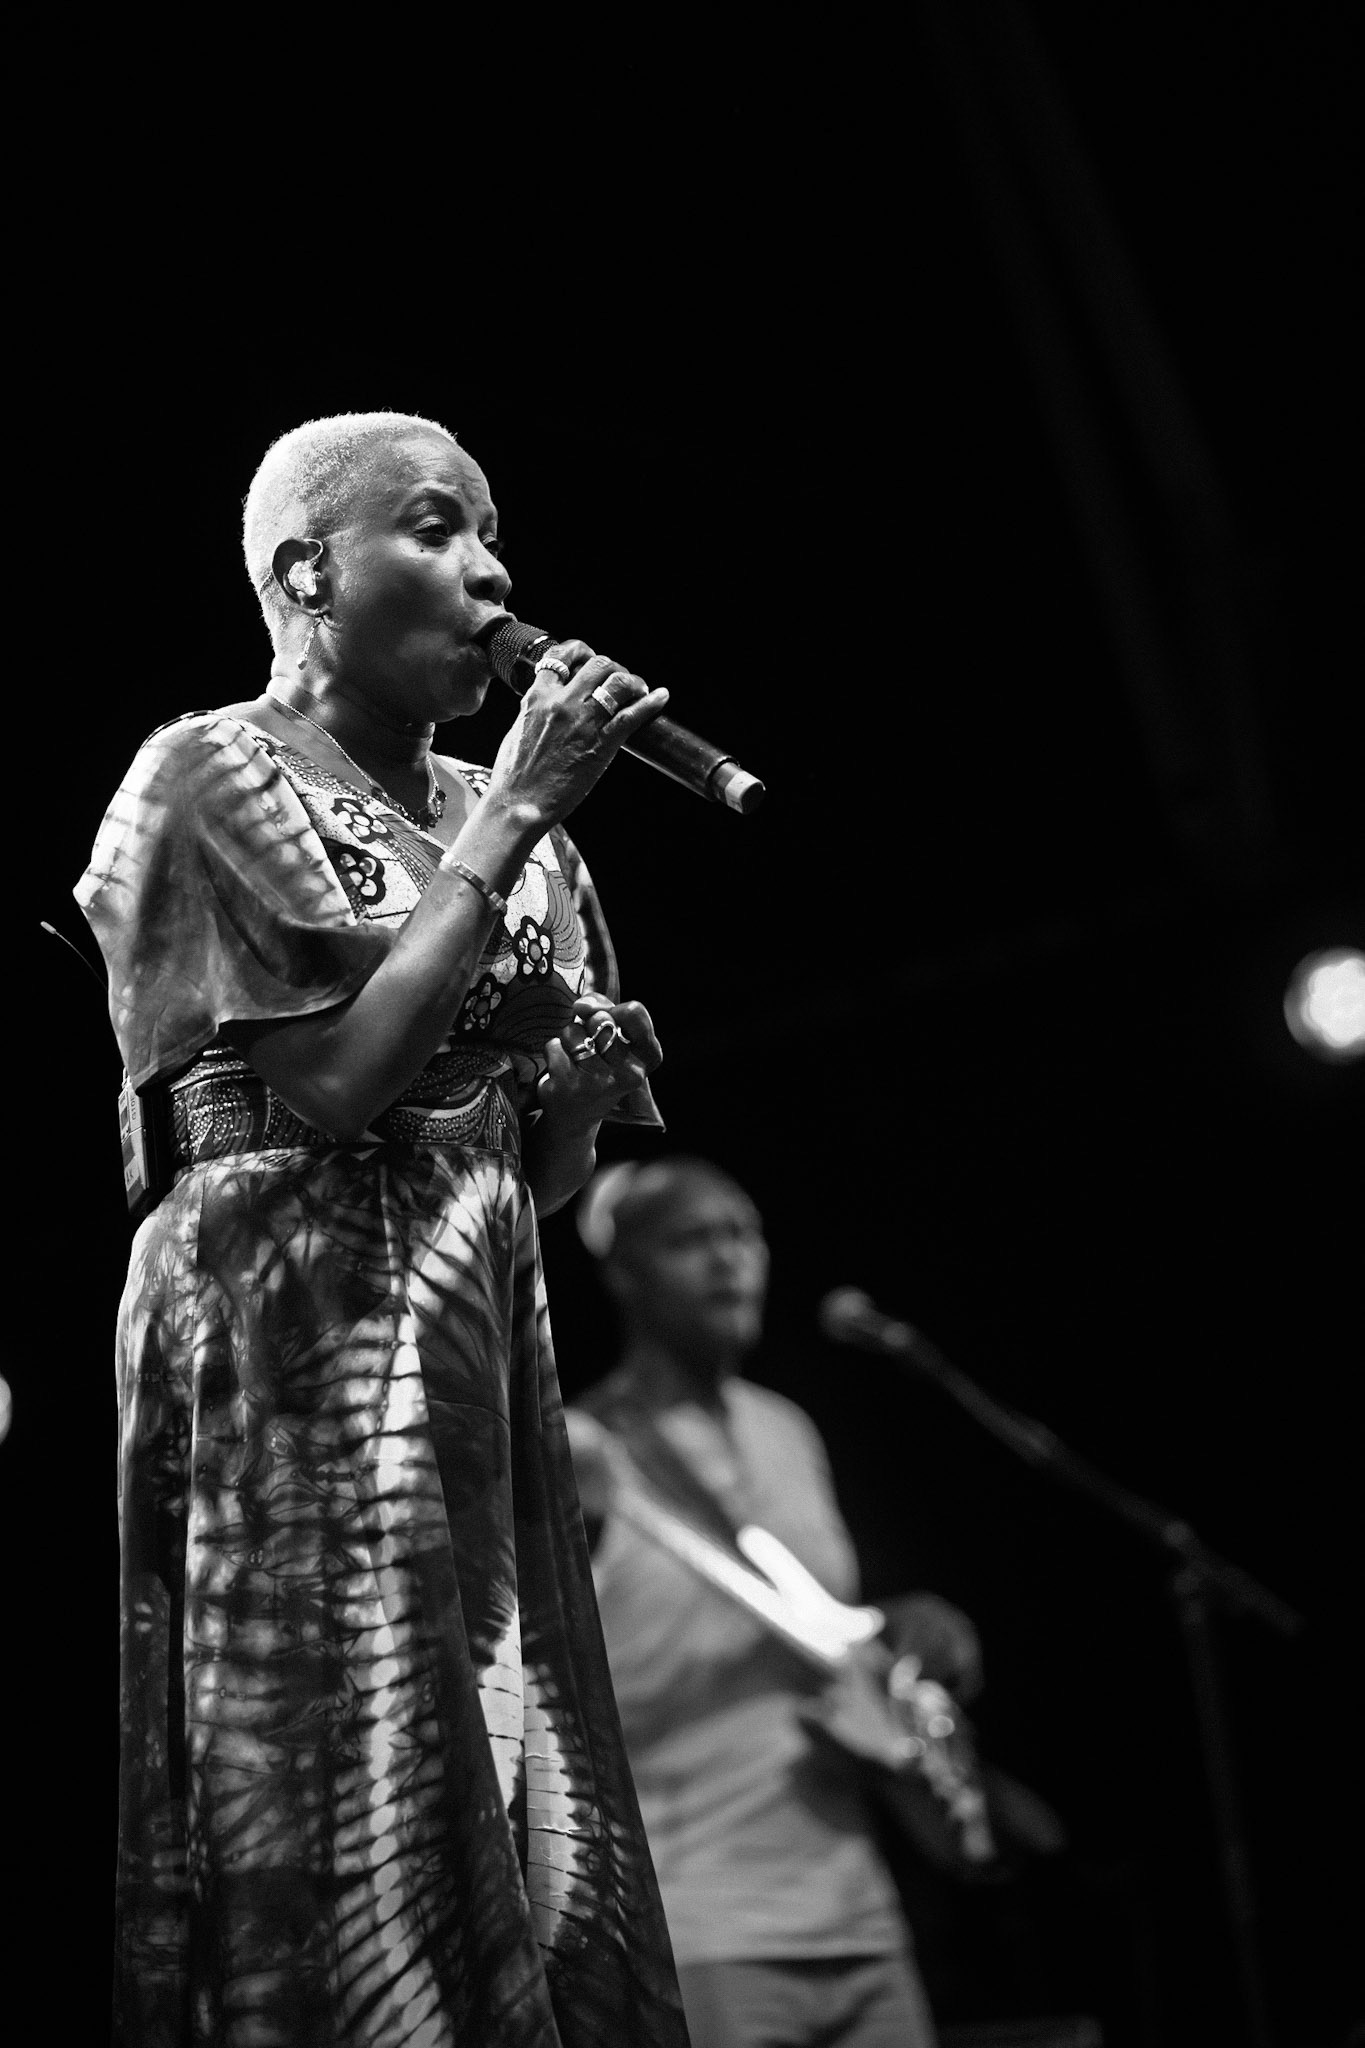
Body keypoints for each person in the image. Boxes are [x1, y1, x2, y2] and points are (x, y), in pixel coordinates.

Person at [75, 410, 691, 2047]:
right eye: (435, 528)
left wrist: (569, 1087)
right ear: (306, 573)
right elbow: (341, 1081)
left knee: (495, 1760)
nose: (490, 571)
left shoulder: (504, 807)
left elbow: (535, 1176)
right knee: (335, 1786)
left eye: (492, 531)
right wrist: (514, 821)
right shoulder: (212, 770)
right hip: (289, 1326)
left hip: (469, 1325)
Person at [564, 1156, 991, 2048]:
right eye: (691, 1240)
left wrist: (899, 1637)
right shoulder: (589, 1451)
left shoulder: (786, 1429)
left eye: (742, 1234)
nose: (729, 1261)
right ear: (625, 1274)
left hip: (861, 1918)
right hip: (707, 1924)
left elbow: (826, 1622)